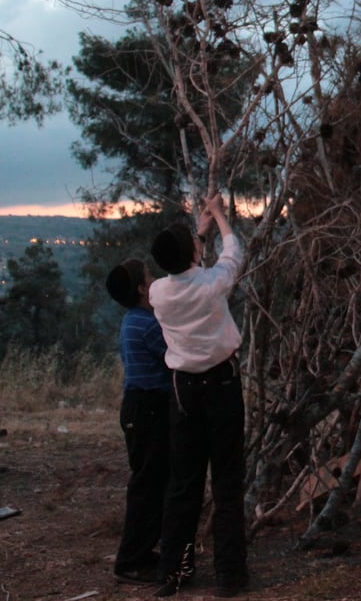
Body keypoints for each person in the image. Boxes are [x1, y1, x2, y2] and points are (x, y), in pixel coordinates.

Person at [149, 193, 248, 598]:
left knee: (184, 483)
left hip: (183, 390)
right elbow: (234, 254)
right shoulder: (212, 286)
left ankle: (173, 572)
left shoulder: (158, 292)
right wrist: (221, 218)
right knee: (226, 482)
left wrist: (197, 234)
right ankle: (230, 576)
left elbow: (183, 268)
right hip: (221, 385)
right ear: (192, 253)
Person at [104, 258, 172, 585]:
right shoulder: (146, 325)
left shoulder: (134, 320)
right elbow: (174, 354)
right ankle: (131, 560)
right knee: (147, 485)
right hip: (148, 408)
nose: (154, 278)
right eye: (149, 277)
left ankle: (141, 553)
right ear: (143, 289)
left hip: (140, 407)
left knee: (150, 482)